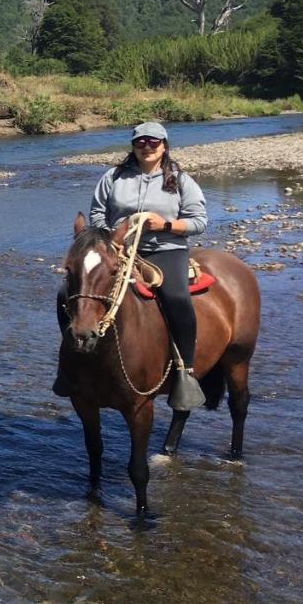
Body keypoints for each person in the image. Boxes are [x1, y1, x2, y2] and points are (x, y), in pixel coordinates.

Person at [54, 121, 208, 411]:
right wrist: (112, 238)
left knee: (176, 298)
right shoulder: (113, 177)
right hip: (117, 250)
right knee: (66, 294)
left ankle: (186, 372)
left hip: (164, 249)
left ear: (164, 145)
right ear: (134, 146)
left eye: (153, 142)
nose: (147, 147)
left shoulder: (181, 179)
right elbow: (97, 213)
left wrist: (165, 224)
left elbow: (199, 220)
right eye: (140, 142)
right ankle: (68, 366)